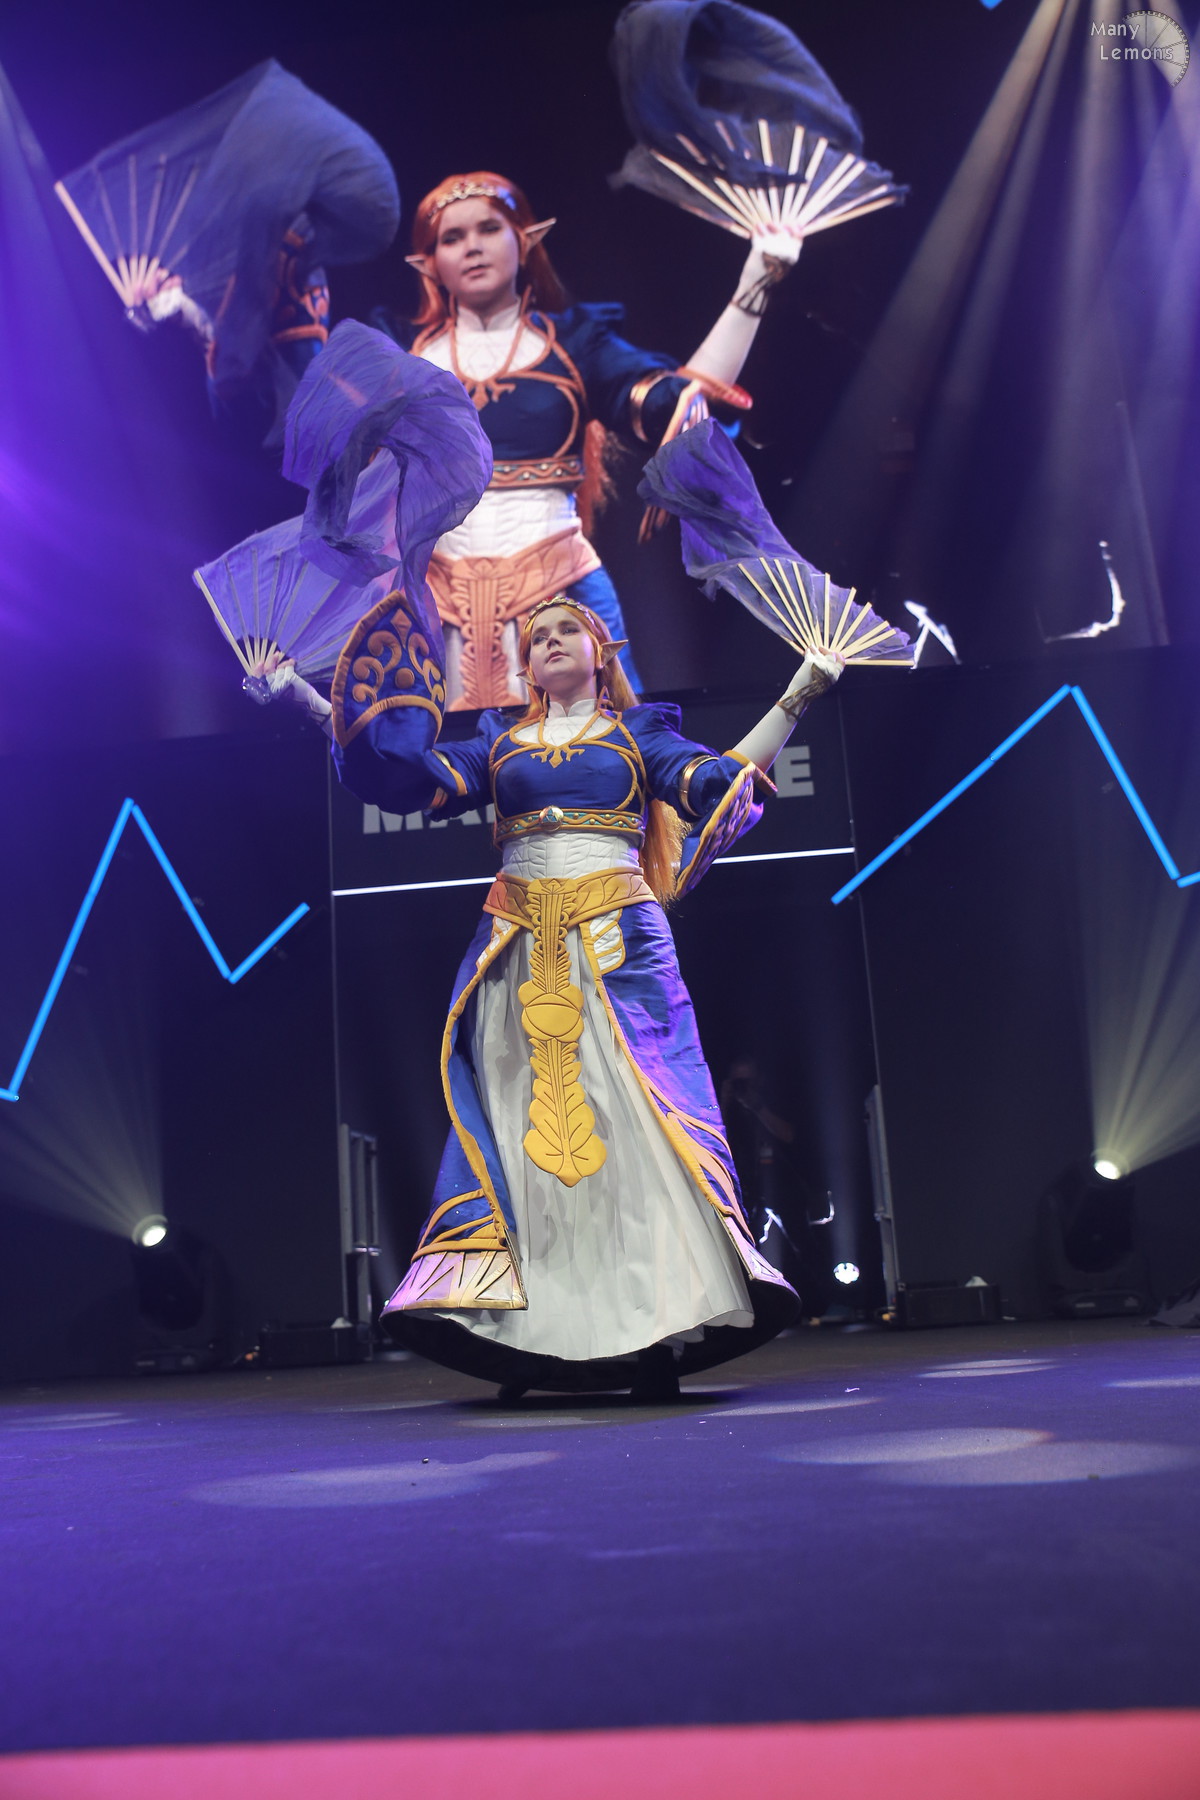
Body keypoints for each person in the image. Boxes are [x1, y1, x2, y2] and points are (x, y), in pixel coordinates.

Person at [268, 589, 840, 1400]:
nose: (552, 642)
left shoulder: (638, 734)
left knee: (635, 1132)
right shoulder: (500, 743)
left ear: (601, 651)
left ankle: (653, 1336)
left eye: (568, 630)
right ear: (526, 666)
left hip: (619, 952)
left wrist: (799, 693)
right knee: (521, 1139)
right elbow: (403, 773)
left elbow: (719, 782)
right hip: (518, 950)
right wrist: (301, 697)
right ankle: (527, 1341)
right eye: (538, 638)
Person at [383, 170, 803, 708]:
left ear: (525, 240)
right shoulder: (400, 356)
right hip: (432, 598)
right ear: (428, 264)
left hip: (559, 584)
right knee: (434, 754)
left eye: (489, 228)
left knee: (603, 747)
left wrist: (755, 283)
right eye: (452, 237)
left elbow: (682, 402)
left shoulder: (577, 344)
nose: (472, 247)